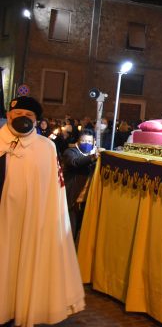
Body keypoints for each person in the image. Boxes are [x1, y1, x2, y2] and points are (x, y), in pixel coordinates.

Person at [0, 97, 85, 325]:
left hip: (32, 221)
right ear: (9, 116)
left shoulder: (46, 147)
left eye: (29, 116)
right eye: (18, 115)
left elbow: (52, 189)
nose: (23, 120)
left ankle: (22, 306)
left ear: (36, 120)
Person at [62, 128, 99, 241]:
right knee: (69, 232)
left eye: (89, 142)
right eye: (83, 141)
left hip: (86, 202)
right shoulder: (70, 152)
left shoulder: (95, 156)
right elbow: (75, 162)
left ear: (94, 143)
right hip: (72, 200)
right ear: (78, 141)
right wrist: (92, 158)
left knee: (81, 232)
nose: (86, 144)